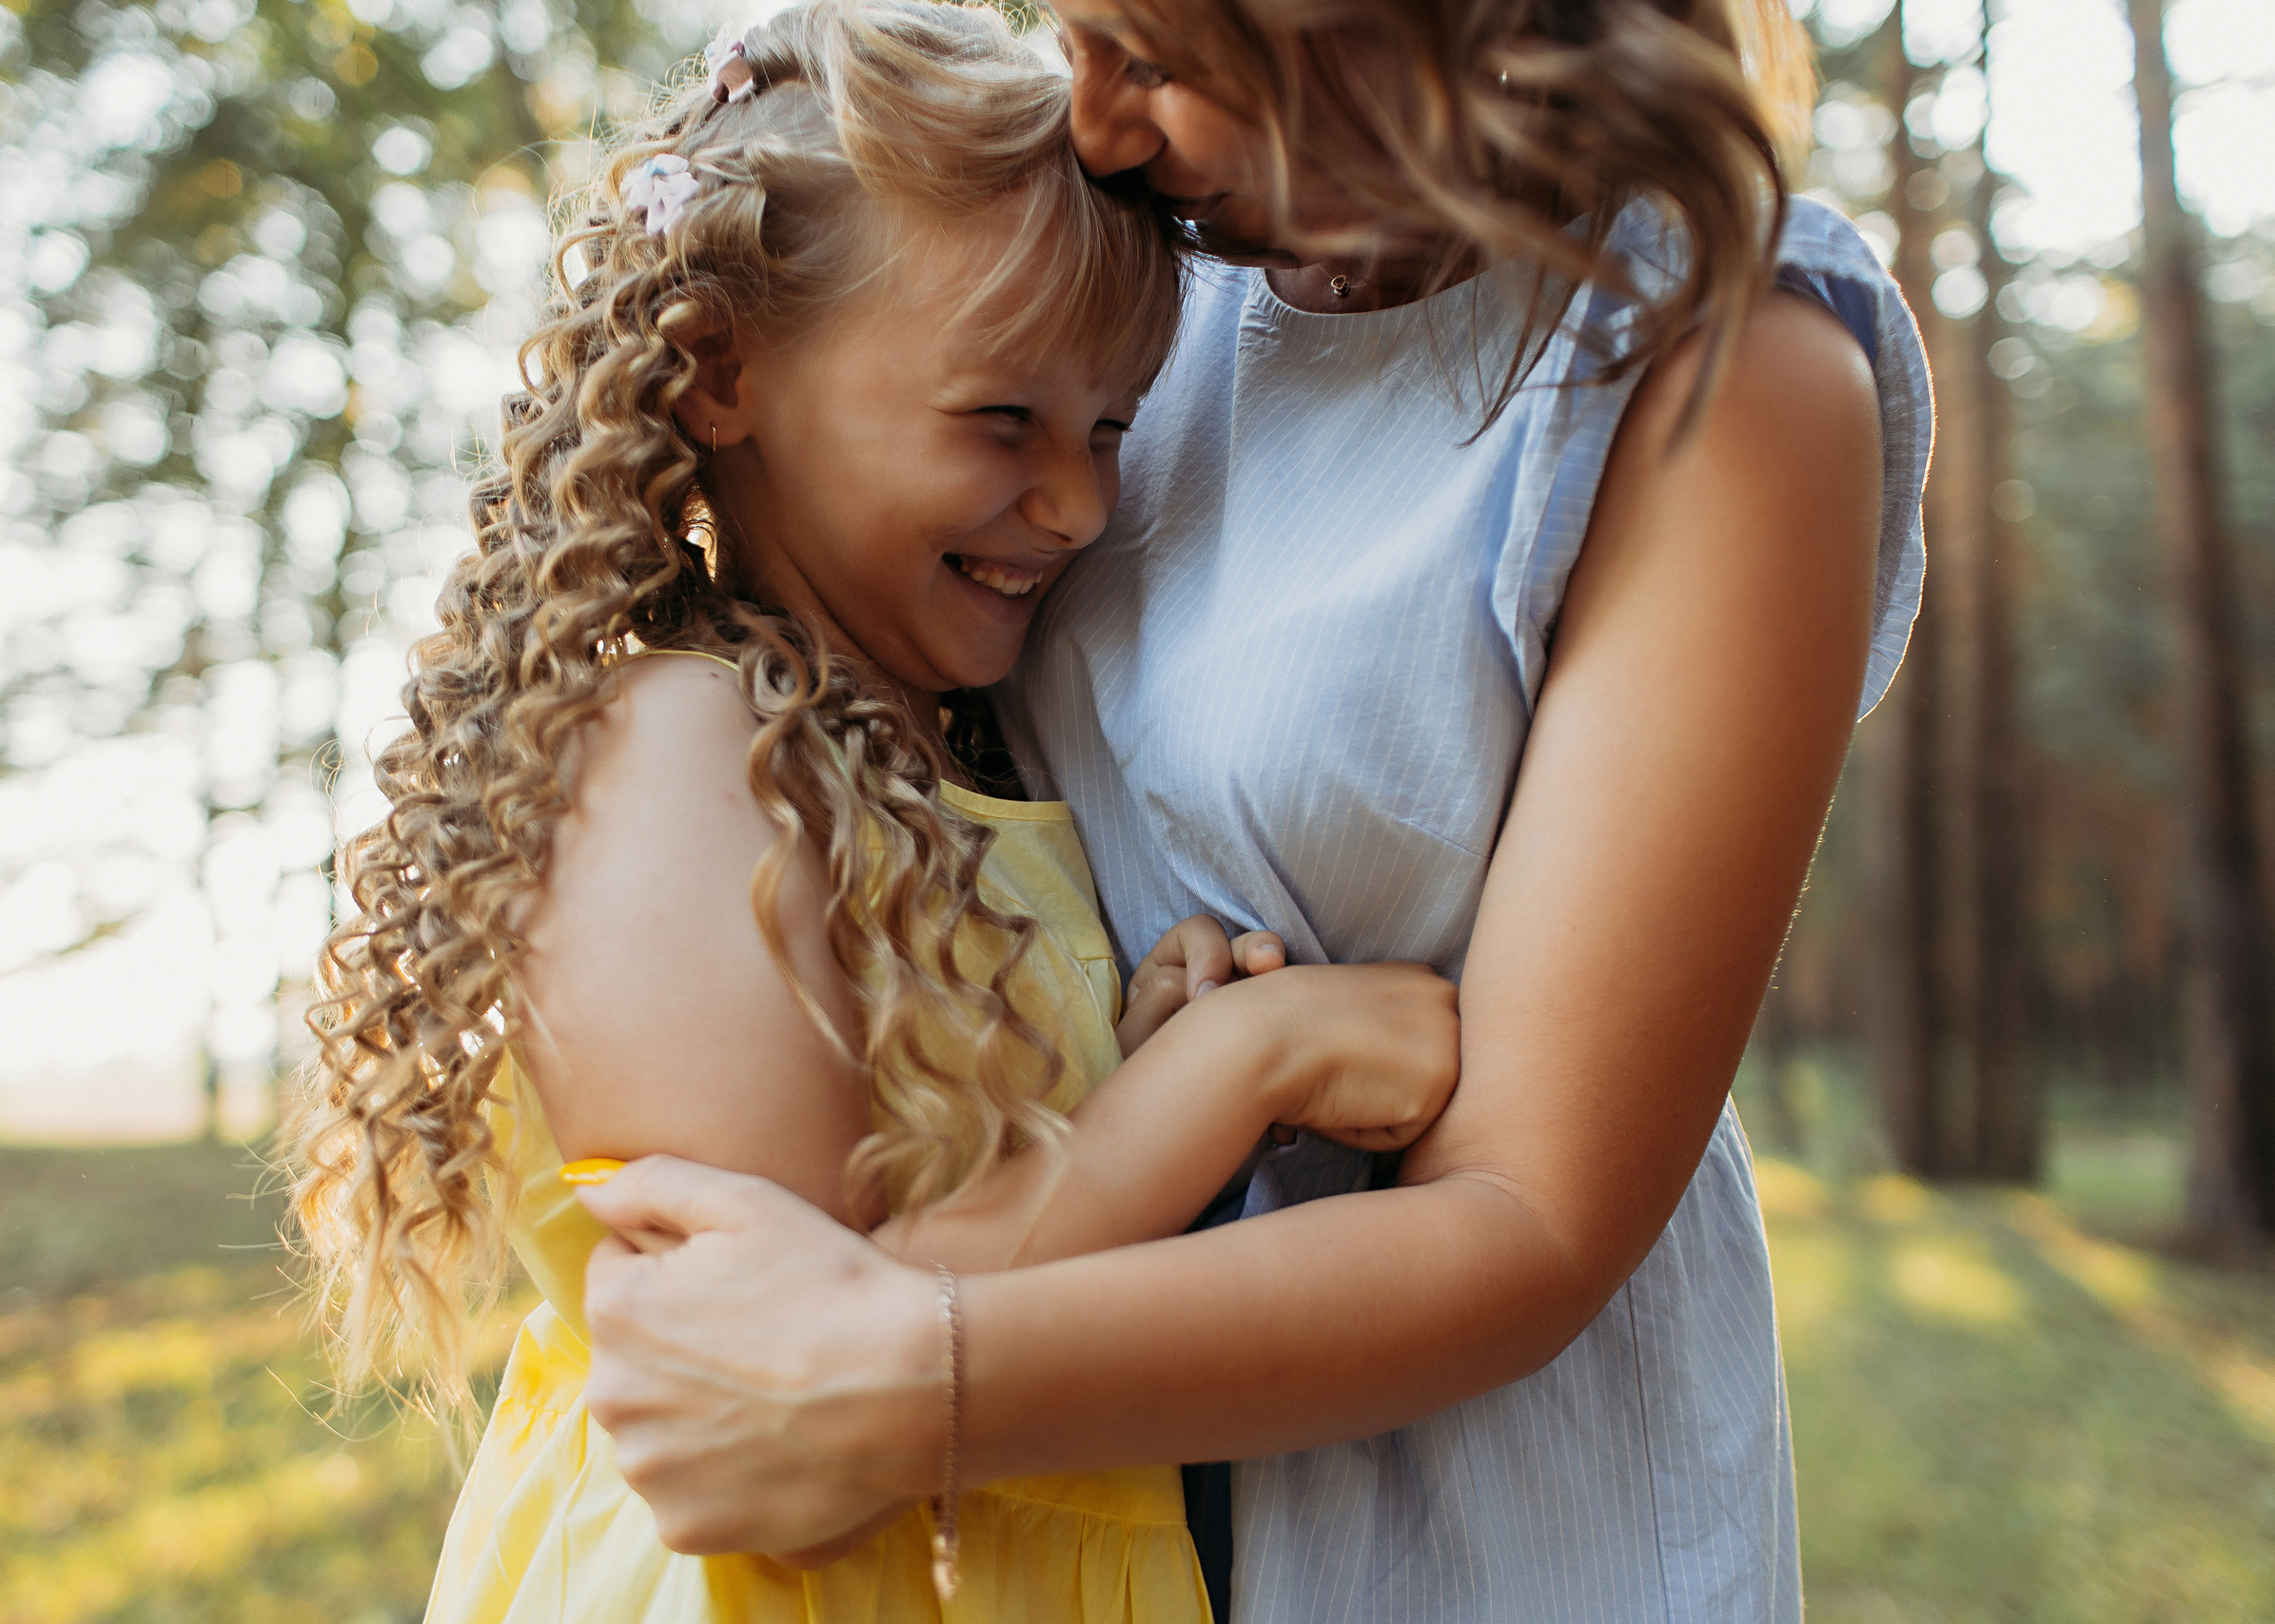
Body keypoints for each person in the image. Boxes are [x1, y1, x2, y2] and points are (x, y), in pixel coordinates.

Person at [568, 0, 1935, 1620]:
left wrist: (893, 1370)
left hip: (1465, 1517)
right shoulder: (1128, 280)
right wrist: (1173, 1053)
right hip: (1052, 1504)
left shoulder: (1714, 369)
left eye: (1155, 59)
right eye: (1076, 33)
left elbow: (1531, 1213)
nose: (1094, 126)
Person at [286, 2, 1463, 1619]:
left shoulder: (934, 753)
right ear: (719, 374)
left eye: (1112, 426)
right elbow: (796, 1345)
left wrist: (1129, 1040)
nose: (1082, 503)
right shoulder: (676, 752)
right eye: (1003, 421)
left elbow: (944, 1191)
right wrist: (1247, 1065)